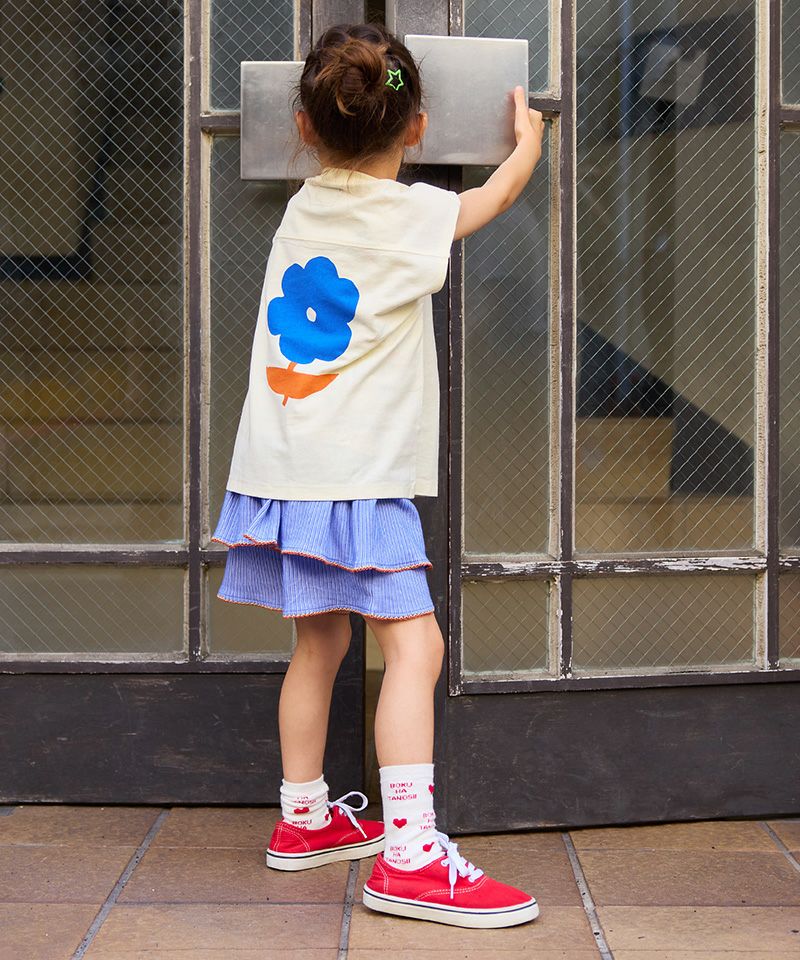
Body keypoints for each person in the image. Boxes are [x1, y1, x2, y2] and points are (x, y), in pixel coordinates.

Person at [211, 21, 544, 928]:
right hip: (356, 478)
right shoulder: (412, 216)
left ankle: (305, 818)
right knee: (417, 651)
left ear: (305, 131)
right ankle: (409, 857)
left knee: (318, 645)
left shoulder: (303, 209)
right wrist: (527, 143)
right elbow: (494, 198)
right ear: (419, 129)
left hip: (283, 470)